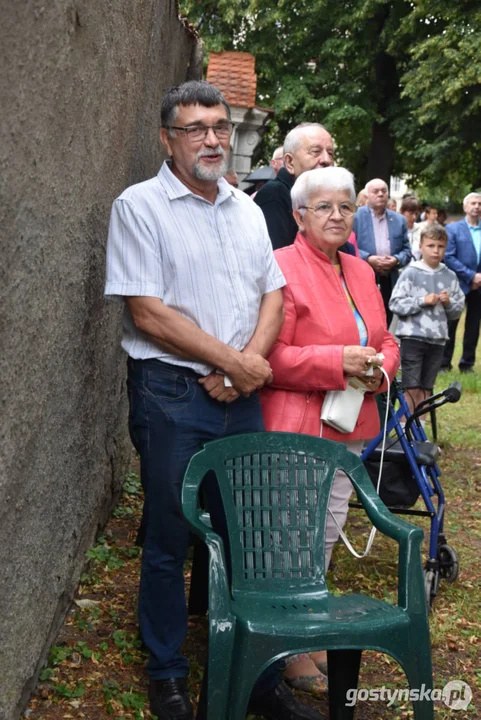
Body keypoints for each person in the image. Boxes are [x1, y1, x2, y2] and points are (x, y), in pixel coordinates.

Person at [105, 80, 322, 720]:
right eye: (195, 128)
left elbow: (273, 296)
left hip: (238, 393)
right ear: (168, 139)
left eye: (219, 127)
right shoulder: (140, 206)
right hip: (172, 394)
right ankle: (168, 672)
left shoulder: (247, 207)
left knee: (242, 537)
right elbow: (147, 312)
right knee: (172, 535)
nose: (210, 139)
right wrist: (232, 362)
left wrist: (244, 370)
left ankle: (253, 677)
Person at [260, 166, 400, 695]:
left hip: (352, 422)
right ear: (299, 215)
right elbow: (270, 357)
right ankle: (289, 650)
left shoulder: (361, 271)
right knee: (290, 535)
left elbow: (387, 341)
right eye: (324, 206)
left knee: (323, 532)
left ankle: (306, 627)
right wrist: (337, 361)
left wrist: (379, 365)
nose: (337, 214)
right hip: (300, 424)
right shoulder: (280, 266)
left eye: (345, 205)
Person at [389, 224, 464, 417]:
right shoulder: (411, 273)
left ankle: (419, 431)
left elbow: (457, 312)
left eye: (440, 246)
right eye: (431, 245)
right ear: (420, 246)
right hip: (413, 338)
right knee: (411, 388)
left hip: (437, 340)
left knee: (426, 389)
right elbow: (395, 304)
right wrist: (422, 301)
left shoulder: (450, 276)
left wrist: (448, 303)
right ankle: (406, 431)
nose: (435, 251)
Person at [254, 123, 356, 256]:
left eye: (330, 153)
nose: (326, 160)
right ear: (290, 162)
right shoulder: (273, 195)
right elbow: (278, 262)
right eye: (316, 152)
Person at [353, 178, 412, 325]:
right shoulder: (355, 217)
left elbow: (407, 251)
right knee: (365, 320)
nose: (380, 194)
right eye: (376, 191)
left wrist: (396, 260)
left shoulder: (399, 220)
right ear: (367, 195)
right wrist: (368, 259)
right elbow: (347, 247)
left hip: (389, 279)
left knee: (386, 319)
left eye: (384, 191)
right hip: (363, 278)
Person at [441, 192, 481, 373]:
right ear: (465, 207)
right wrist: (471, 276)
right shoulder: (454, 229)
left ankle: (467, 363)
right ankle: (443, 363)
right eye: (473, 203)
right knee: (451, 324)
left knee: (474, 325)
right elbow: (448, 256)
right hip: (458, 283)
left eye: (479, 204)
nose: (477, 206)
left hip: (479, 286)